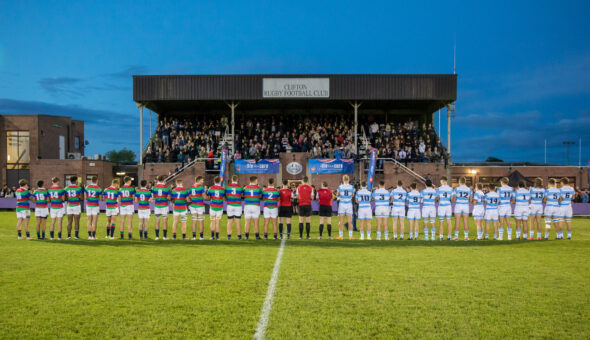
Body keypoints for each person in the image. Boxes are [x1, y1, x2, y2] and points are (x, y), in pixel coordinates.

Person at [336, 175, 355, 240]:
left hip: (342, 204)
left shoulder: (340, 187)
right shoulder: (352, 187)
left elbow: (338, 195)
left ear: (343, 179)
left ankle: (341, 236)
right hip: (349, 204)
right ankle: (350, 236)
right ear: (348, 179)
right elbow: (352, 195)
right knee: (350, 221)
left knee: (341, 221)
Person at [225, 175, 243, 240]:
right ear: (237, 179)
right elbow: (241, 195)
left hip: (230, 205)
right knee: (238, 222)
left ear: (232, 179)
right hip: (238, 205)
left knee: (230, 221)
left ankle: (229, 236)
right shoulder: (240, 187)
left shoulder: (227, 187)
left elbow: (226, 195)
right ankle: (239, 236)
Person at [152, 175, 171, 240]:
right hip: (164, 206)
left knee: (157, 221)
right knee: (164, 221)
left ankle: (157, 237)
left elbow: (154, 196)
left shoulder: (154, 187)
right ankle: (164, 237)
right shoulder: (167, 188)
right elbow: (168, 198)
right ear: (163, 179)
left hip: (157, 206)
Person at [65, 175, 82, 240]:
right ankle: (76, 236)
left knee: (69, 221)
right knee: (76, 221)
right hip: (76, 205)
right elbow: (81, 198)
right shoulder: (79, 188)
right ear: (76, 180)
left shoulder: (66, 188)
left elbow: (65, 198)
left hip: (69, 205)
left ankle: (69, 236)